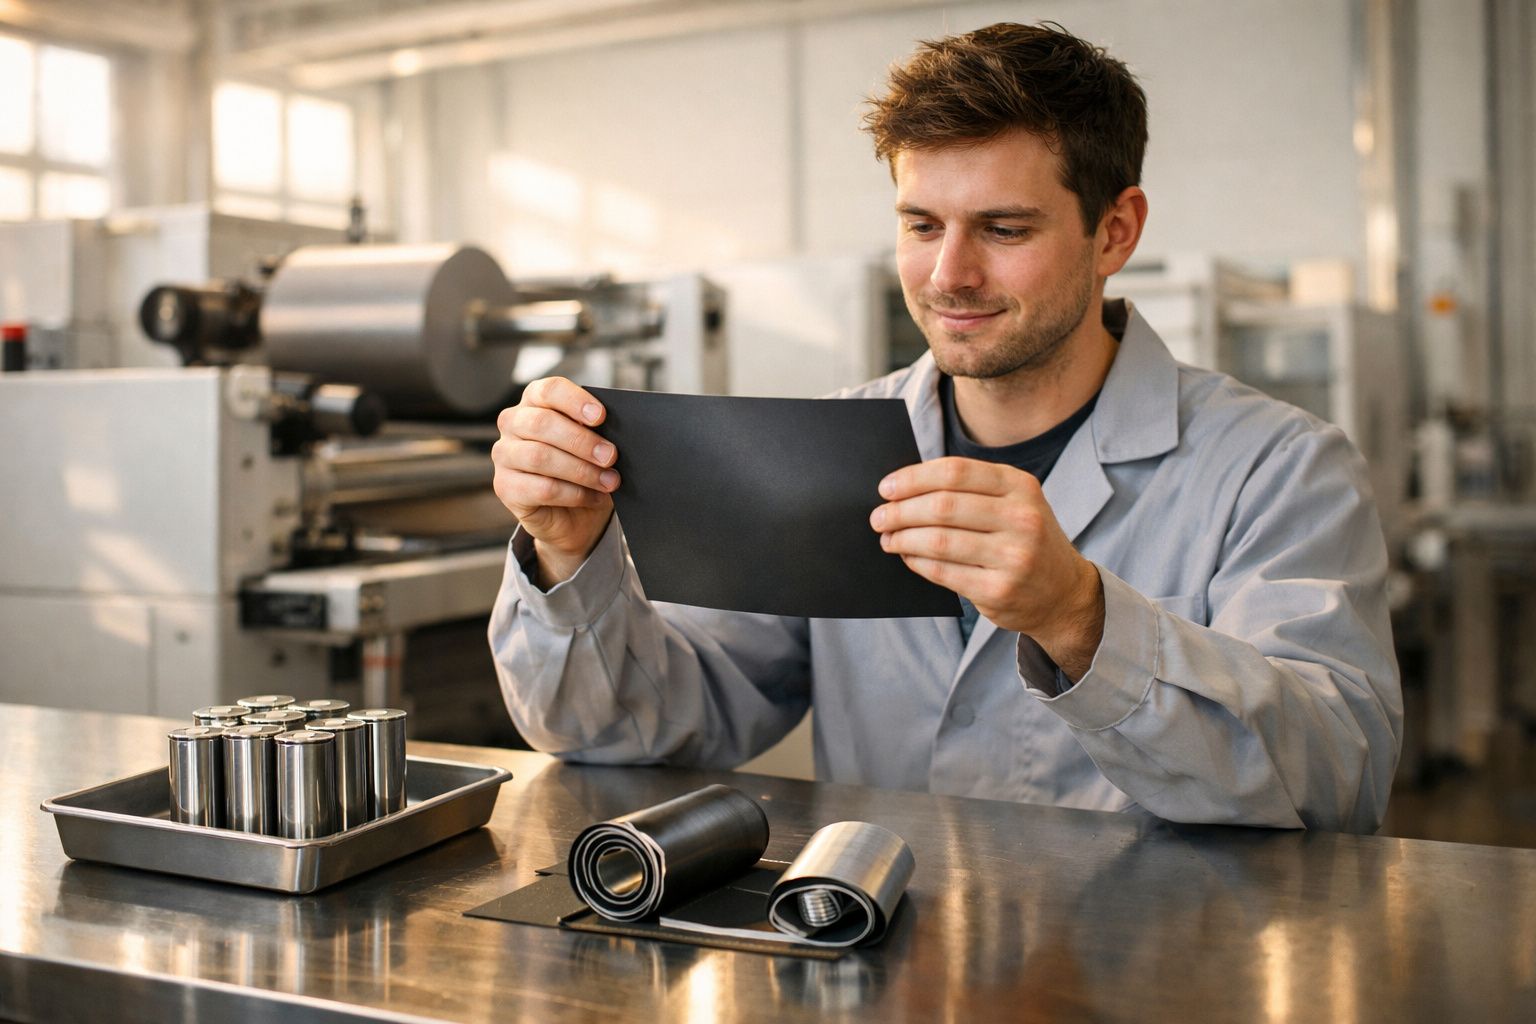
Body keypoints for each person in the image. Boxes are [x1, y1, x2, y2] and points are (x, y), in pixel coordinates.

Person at [487, 21, 1402, 832]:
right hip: (883, 959)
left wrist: (1081, 620)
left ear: (1115, 231)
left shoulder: (1279, 470)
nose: (947, 275)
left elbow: (1335, 780)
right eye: (922, 224)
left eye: (1004, 228)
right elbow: (633, 728)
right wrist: (570, 556)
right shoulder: (830, 449)